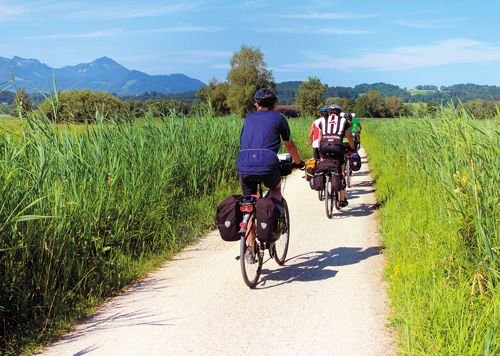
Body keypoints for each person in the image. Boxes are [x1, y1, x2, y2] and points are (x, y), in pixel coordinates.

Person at [236, 88, 304, 252]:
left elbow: (243, 142)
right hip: (267, 163)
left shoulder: (248, 118)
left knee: (248, 201)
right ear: (274, 104)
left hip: (244, 162)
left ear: (257, 104)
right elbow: (289, 144)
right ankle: (271, 223)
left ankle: (251, 249)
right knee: (276, 187)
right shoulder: (279, 118)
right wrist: (298, 162)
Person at [317, 104, 355, 207]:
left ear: (329, 113)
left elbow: (319, 139)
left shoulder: (322, 121)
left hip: (324, 147)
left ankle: (325, 182)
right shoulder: (344, 121)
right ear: (339, 113)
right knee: (341, 172)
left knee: (324, 165)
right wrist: (353, 148)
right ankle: (342, 200)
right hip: (337, 147)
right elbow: (349, 137)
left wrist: (319, 150)